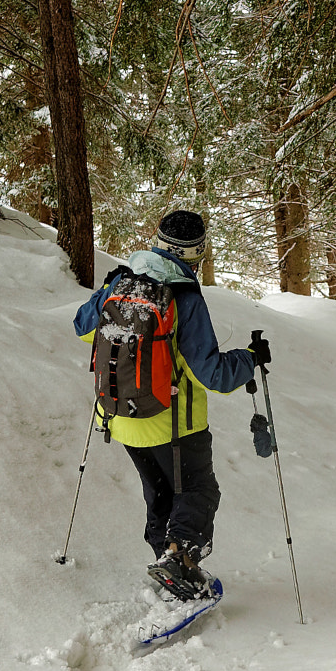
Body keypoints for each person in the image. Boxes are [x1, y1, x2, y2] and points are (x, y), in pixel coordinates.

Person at [73, 210, 271, 600]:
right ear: (195, 255)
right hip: (174, 422)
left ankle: (169, 560)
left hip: (121, 416)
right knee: (199, 491)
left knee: (160, 493)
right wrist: (250, 358)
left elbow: (82, 327)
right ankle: (178, 561)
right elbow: (212, 374)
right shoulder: (184, 297)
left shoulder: (120, 280)